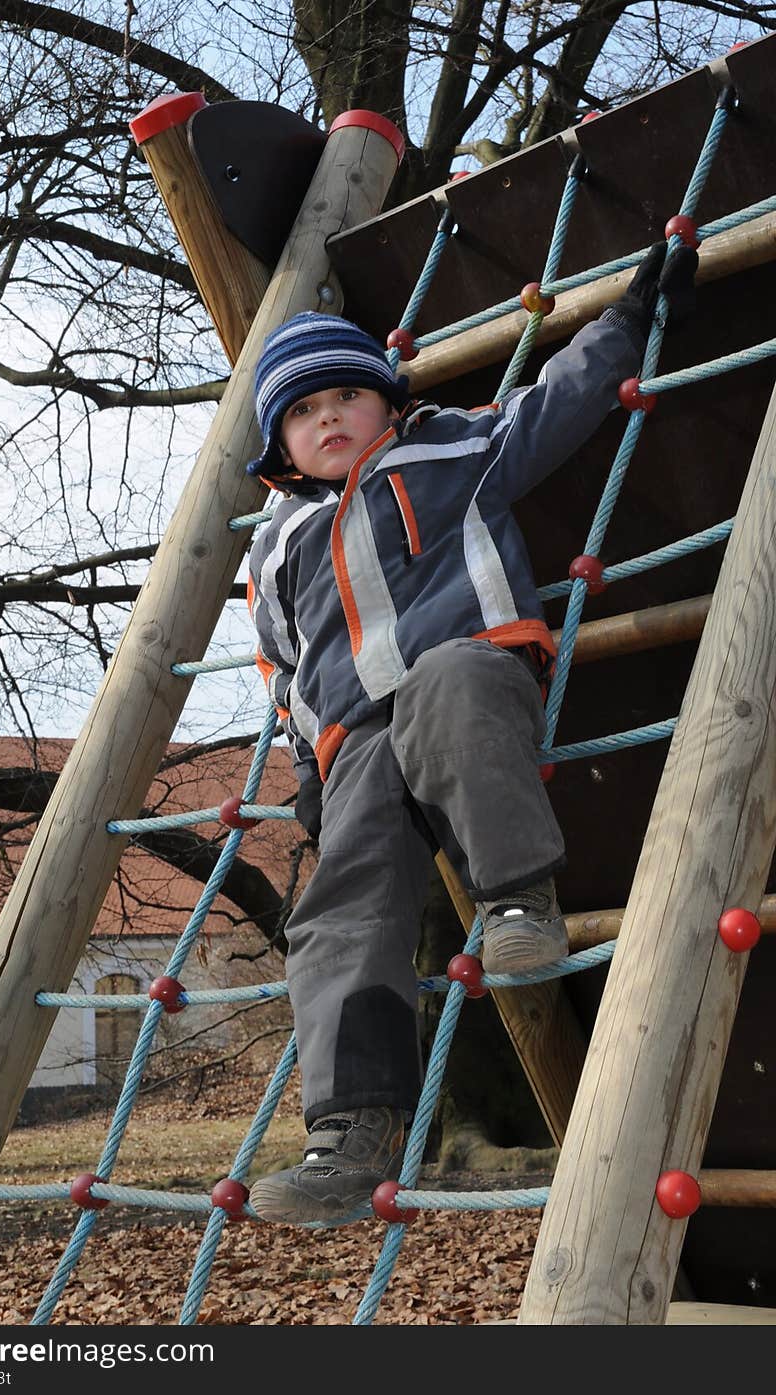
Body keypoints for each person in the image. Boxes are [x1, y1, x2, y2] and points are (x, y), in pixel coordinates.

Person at [243, 243, 697, 1224]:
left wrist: (622, 324)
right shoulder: (272, 545)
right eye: (303, 412)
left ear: (386, 405)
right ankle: (350, 1130)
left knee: (451, 686)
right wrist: (306, 775)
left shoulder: (447, 447)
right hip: (355, 742)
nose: (328, 419)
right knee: (338, 905)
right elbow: (282, 673)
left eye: (346, 401)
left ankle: (516, 904)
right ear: (278, 445)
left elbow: (555, 402)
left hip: (466, 667)